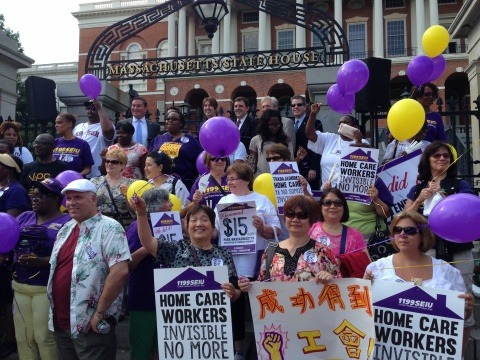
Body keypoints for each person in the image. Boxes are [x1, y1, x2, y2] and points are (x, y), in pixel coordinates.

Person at [129, 198, 241, 358]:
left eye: (204, 219)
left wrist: (233, 292)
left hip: (214, 330)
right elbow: (148, 242)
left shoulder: (224, 254)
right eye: (193, 220)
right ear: (186, 226)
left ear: (212, 225)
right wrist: (141, 213)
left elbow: (235, 291)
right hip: (180, 332)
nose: (199, 224)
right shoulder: (175, 249)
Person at [364, 211, 474, 358]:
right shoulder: (376, 269)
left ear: (422, 235)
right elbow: (363, 316)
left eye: (410, 230)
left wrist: (466, 311)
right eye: (398, 230)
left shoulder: (447, 272)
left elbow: (462, 324)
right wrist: (363, 293)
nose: (402, 234)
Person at [47, 179, 131, 359]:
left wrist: (98, 313)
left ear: (94, 199)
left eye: (78, 197)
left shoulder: (110, 227)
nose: (71, 203)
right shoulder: (65, 228)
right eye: (68, 199)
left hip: (91, 324)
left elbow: (120, 271)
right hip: (62, 322)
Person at [403, 141, 475, 342]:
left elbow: (466, 211)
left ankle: (460, 353)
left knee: (463, 303)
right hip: (428, 250)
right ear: (428, 160)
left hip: (458, 250)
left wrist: (441, 195)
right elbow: (402, 219)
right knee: (428, 299)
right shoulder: (418, 188)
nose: (442, 158)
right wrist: (419, 200)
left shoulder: (460, 185)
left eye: (446, 155)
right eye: (437, 155)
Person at [215, 162, 280, 360]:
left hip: (257, 260)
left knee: (261, 305)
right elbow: (218, 232)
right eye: (228, 178)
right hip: (231, 260)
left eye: (234, 178)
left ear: (246, 180)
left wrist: (262, 227)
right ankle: (238, 350)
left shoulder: (262, 200)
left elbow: (277, 230)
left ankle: (268, 348)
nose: (230, 182)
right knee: (234, 307)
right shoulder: (224, 201)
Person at [11, 178, 70, 360]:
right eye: (33, 195)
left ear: (55, 199)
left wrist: (44, 261)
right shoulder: (24, 217)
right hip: (19, 285)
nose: (35, 199)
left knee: (43, 337)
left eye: (41, 196)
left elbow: (71, 257)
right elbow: (8, 240)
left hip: (45, 288)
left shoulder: (67, 222)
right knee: (24, 338)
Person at [238, 195, 341, 284]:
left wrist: (330, 280)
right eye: (290, 214)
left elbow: (340, 287)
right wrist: (249, 285)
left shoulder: (324, 251)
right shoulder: (270, 250)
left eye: (302, 215)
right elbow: (262, 285)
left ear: (312, 219)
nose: (295, 219)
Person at [126, 188, 172, 360]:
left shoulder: (171, 224)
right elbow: (127, 263)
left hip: (168, 297)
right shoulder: (136, 227)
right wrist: (151, 246)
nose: (172, 204)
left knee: (160, 349)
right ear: (157, 205)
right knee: (141, 348)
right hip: (144, 297)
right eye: (167, 201)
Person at [0, 154, 30, 359]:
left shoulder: (16, 191)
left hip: (5, 252)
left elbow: (9, 223)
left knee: (5, 298)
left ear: (8, 169)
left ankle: (9, 339)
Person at [306, 103, 369, 185]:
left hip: (350, 192)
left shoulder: (363, 142)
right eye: (340, 123)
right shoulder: (330, 138)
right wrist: (313, 114)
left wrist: (358, 140)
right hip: (329, 192)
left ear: (356, 127)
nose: (342, 125)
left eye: (346, 122)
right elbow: (310, 134)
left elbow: (364, 166)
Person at [149, 108, 203, 190]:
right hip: (160, 184)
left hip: (184, 185)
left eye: (174, 119)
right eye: (168, 119)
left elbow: (200, 161)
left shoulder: (191, 141)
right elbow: (150, 160)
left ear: (181, 123)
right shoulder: (158, 139)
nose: (170, 121)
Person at [309, 188, 366, 258]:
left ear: (344, 207)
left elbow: (366, 265)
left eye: (337, 203)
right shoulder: (310, 229)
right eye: (327, 202)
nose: (332, 206)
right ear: (321, 206)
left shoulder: (355, 236)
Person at [91, 148, 135, 228]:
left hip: (121, 227)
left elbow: (135, 211)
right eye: (107, 161)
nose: (109, 164)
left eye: (114, 162)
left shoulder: (131, 184)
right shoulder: (94, 181)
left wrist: (127, 196)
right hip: (98, 225)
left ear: (122, 165)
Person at [73, 99, 116, 178]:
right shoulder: (78, 127)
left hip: (96, 173)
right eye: (88, 109)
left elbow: (108, 130)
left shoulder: (104, 126)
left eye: (93, 109)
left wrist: (99, 108)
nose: (90, 111)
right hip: (78, 172)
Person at [182, 152, 230, 218]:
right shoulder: (200, 181)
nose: (219, 161)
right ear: (208, 162)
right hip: (209, 223)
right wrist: (195, 202)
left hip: (231, 219)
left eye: (223, 159)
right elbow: (186, 210)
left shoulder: (233, 179)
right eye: (215, 159)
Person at [290, 95, 322, 190]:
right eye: (293, 105)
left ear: (305, 107)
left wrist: (313, 167)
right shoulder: (288, 123)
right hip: (293, 167)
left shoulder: (314, 122)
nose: (296, 107)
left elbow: (318, 145)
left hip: (309, 170)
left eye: (299, 104)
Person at [202, 97, 247, 163]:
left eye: (210, 105)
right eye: (205, 106)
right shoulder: (202, 127)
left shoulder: (239, 145)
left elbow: (237, 166)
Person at [249, 109, 293, 176]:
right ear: (265, 125)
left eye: (277, 125)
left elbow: (290, 161)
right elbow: (253, 163)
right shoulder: (255, 139)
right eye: (271, 125)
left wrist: (298, 158)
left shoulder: (286, 139)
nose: (274, 128)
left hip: (280, 178)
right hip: (261, 178)